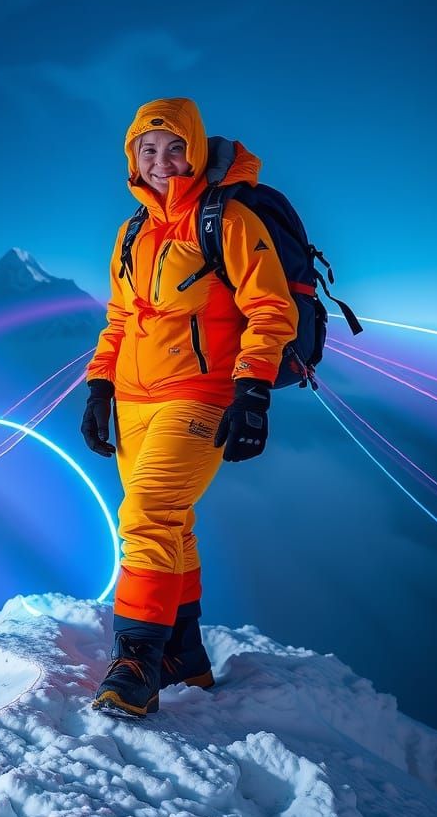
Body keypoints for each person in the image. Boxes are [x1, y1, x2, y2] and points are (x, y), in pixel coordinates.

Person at [81, 97, 299, 717]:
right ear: (132, 158)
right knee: (169, 523)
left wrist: (253, 390)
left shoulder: (225, 220)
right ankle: (184, 653)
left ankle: (136, 664)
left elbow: (271, 308)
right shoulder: (131, 233)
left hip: (200, 395)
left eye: (175, 147)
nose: (161, 161)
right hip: (133, 400)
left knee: (147, 514)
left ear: (197, 150)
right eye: (147, 150)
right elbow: (121, 318)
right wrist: (99, 385)